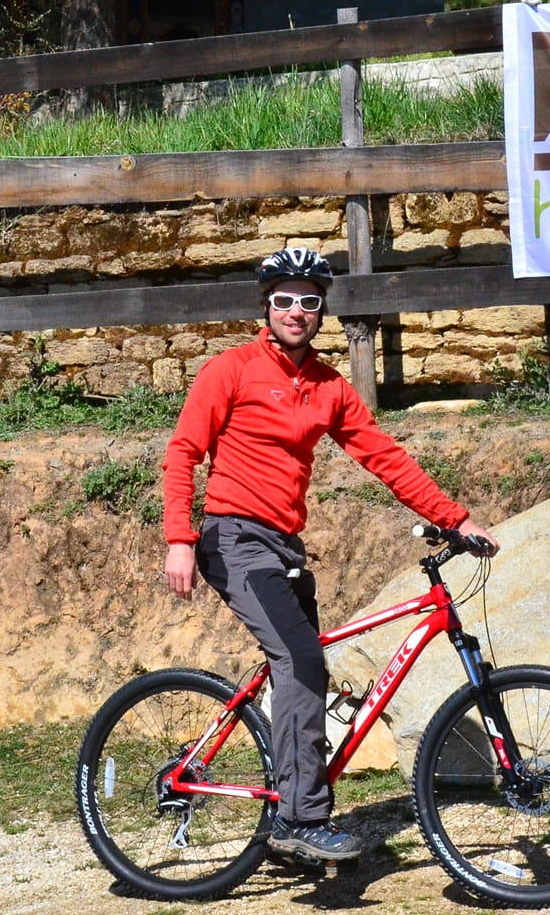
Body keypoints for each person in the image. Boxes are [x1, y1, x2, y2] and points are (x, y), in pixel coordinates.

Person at [161, 246, 499, 862]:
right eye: (285, 299)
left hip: (284, 546)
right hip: (233, 537)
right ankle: (300, 821)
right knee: (301, 661)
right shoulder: (230, 370)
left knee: (302, 667)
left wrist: (455, 519)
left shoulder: (328, 388)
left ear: (322, 313)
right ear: (266, 306)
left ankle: (292, 798)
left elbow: (384, 458)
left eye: (309, 301)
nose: (297, 310)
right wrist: (180, 539)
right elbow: (184, 452)